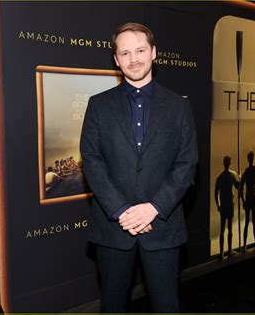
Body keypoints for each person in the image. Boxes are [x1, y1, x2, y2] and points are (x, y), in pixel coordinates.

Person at [80, 22, 198, 312]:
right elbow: (91, 160)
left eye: (140, 50)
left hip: (163, 226)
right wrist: (121, 210)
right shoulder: (98, 105)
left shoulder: (178, 106)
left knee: (166, 306)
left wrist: (153, 207)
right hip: (113, 228)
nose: (134, 59)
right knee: (112, 306)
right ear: (116, 60)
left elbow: (187, 162)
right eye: (125, 53)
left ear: (154, 53)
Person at [214, 156, 240, 258]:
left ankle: (221, 253)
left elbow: (216, 193)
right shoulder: (233, 174)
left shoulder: (220, 177)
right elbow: (238, 186)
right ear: (229, 163)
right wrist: (240, 178)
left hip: (223, 205)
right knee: (229, 228)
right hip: (230, 204)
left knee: (222, 229)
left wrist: (218, 204)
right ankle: (229, 250)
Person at [239, 151, 255, 252]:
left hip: (248, 197)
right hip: (254, 196)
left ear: (248, 159)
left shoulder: (246, 171)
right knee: (254, 221)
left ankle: (244, 246)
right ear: (253, 159)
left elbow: (240, 188)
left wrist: (243, 200)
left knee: (246, 223)